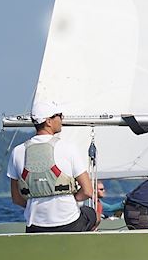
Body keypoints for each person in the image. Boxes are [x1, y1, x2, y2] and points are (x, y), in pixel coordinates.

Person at [8, 98, 102, 233]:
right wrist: (71, 199)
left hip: (35, 225)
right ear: (48, 121)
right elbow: (87, 191)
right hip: (70, 223)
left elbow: (16, 198)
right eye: (59, 115)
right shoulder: (68, 148)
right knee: (93, 215)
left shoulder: (17, 151)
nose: (62, 118)